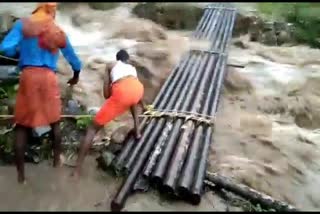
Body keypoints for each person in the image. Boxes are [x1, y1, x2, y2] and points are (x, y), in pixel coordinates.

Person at [0, 2, 82, 184]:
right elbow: (74, 60)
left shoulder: (23, 24)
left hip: (28, 76)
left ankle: (21, 177)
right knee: (54, 122)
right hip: (48, 78)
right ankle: (56, 161)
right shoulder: (56, 30)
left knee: (21, 125)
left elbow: (5, 48)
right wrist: (75, 76)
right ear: (52, 10)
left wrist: (21, 50)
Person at [72, 49, 145, 179]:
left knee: (92, 129)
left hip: (123, 93)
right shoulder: (132, 68)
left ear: (117, 59)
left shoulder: (110, 65)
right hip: (138, 89)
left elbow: (106, 94)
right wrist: (143, 106)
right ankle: (138, 131)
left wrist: (113, 85)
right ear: (127, 60)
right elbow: (135, 93)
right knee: (133, 100)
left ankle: (77, 170)